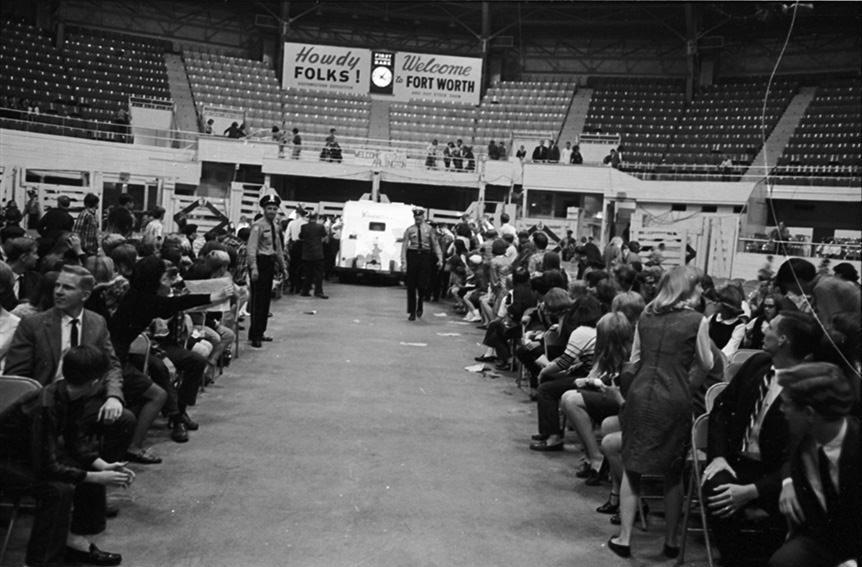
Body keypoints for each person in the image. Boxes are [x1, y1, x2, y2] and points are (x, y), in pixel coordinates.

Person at [608, 265, 714, 560]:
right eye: (698, 285)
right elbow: (706, 363)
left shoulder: (646, 316)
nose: (702, 291)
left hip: (641, 395)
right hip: (675, 397)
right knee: (673, 471)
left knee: (632, 466)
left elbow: (635, 359)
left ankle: (625, 538)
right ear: (686, 288)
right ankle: (670, 541)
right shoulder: (698, 321)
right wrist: (686, 384)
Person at [703, 311, 822, 566]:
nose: (763, 328)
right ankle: (732, 559)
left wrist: (752, 492)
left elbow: (799, 458)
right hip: (736, 462)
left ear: (783, 340)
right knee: (717, 492)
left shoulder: (806, 388)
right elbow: (721, 410)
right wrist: (719, 456)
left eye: (771, 326)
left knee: (786, 511)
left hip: (779, 474)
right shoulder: (757, 364)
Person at [0, 345, 134, 567]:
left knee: (82, 471)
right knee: (56, 490)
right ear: (95, 382)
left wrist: (103, 466)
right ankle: (40, 562)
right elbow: (47, 467)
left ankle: (72, 540)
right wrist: (95, 477)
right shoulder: (45, 405)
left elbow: (75, 441)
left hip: (26, 456)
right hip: (7, 461)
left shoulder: (70, 394)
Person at [770, 362, 860, 567]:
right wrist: (788, 480)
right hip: (823, 539)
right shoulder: (802, 440)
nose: (782, 410)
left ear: (810, 413)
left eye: (787, 404)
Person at [247, 194, 286, 348]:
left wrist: (283, 267)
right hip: (260, 263)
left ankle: (260, 331)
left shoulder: (275, 227)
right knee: (258, 301)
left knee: (265, 302)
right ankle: (255, 335)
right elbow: (251, 248)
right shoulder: (258, 226)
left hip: (269, 264)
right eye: (269, 208)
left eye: (274, 209)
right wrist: (254, 268)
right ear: (263, 209)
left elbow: (278, 249)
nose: (272, 211)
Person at [401, 208, 442, 321]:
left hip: (425, 256)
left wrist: (440, 258)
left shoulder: (429, 230)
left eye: (419, 218)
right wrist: (404, 262)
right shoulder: (410, 230)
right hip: (413, 255)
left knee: (422, 284)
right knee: (411, 285)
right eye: (416, 218)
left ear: (423, 217)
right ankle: (412, 311)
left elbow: (435, 244)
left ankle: (420, 304)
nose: (417, 220)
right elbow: (404, 246)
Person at [299, 212, 329, 299]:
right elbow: (324, 236)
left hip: (307, 254)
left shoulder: (304, 227)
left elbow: (301, 236)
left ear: (308, 218)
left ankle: (305, 290)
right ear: (316, 218)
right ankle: (318, 291)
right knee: (318, 274)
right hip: (318, 254)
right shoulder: (320, 227)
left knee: (308, 273)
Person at [72, 193, 101, 257]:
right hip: (85, 248)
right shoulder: (85, 214)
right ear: (95, 203)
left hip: (93, 248)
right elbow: (77, 231)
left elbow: (96, 230)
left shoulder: (94, 215)